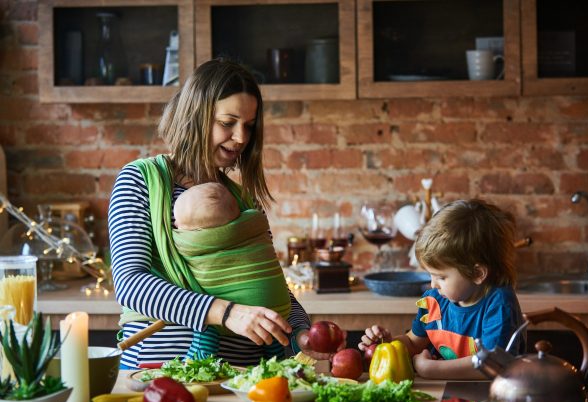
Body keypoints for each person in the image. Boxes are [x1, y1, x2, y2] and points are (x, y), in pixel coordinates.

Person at [109, 58, 333, 369]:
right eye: (228, 123)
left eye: (249, 126)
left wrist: (300, 331)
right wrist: (227, 313)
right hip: (159, 372)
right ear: (195, 117)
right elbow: (131, 285)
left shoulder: (243, 199)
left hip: (243, 379)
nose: (241, 137)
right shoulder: (140, 180)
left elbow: (273, 288)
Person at [359, 199, 526, 379]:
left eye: (441, 277)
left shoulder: (499, 303)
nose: (433, 285)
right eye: (430, 275)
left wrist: (430, 369)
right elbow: (413, 343)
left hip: (490, 399)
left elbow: (494, 364)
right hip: (445, 395)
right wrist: (386, 343)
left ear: (477, 273)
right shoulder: (434, 301)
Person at [172, 182, 291, 360]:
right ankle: (278, 360)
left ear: (200, 232)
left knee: (205, 326)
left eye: (179, 223)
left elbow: (180, 246)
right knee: (274, 342)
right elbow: (131, 283)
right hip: (276, 309)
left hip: (224, 327)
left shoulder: (195, 241)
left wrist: (301, 329)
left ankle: (199, 359)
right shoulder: (253, 220)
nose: (175, 225)